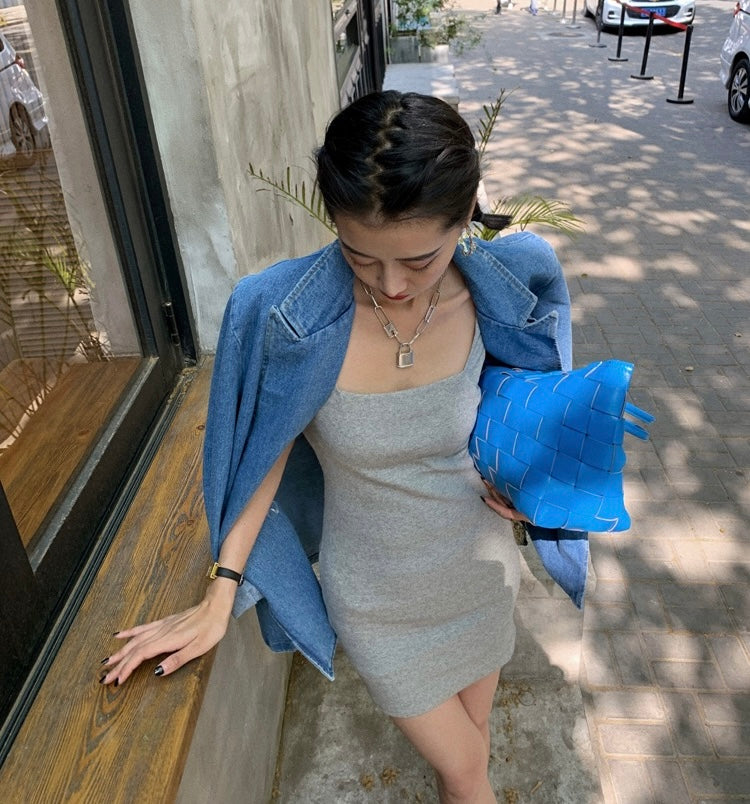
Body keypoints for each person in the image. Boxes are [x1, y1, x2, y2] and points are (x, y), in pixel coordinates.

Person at [100, 90, 574, 804]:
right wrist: (221, 591)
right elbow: (260, 457)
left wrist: (529, 484)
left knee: (468, 756)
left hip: (480, 573)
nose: (391, 284)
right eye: (360, 256)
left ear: (465, 216)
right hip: (376, 602)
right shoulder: (289, 318)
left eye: (419, 260)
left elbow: (528, 401)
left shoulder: (500, 292)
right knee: (468, 771)